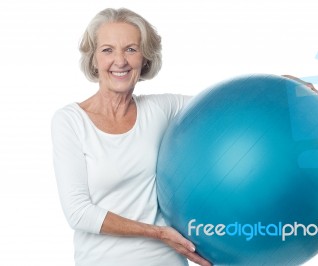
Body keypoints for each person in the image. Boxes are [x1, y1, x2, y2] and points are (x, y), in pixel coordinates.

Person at [51, 7, 210, 266]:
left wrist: (286, 85)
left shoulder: (160, 109)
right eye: (107, 50)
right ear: (93, 59)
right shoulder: (70, 121)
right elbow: (78, 213)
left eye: (131, 49)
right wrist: (158, 233)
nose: (120, 61)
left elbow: (225, 103)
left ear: (145, 59)